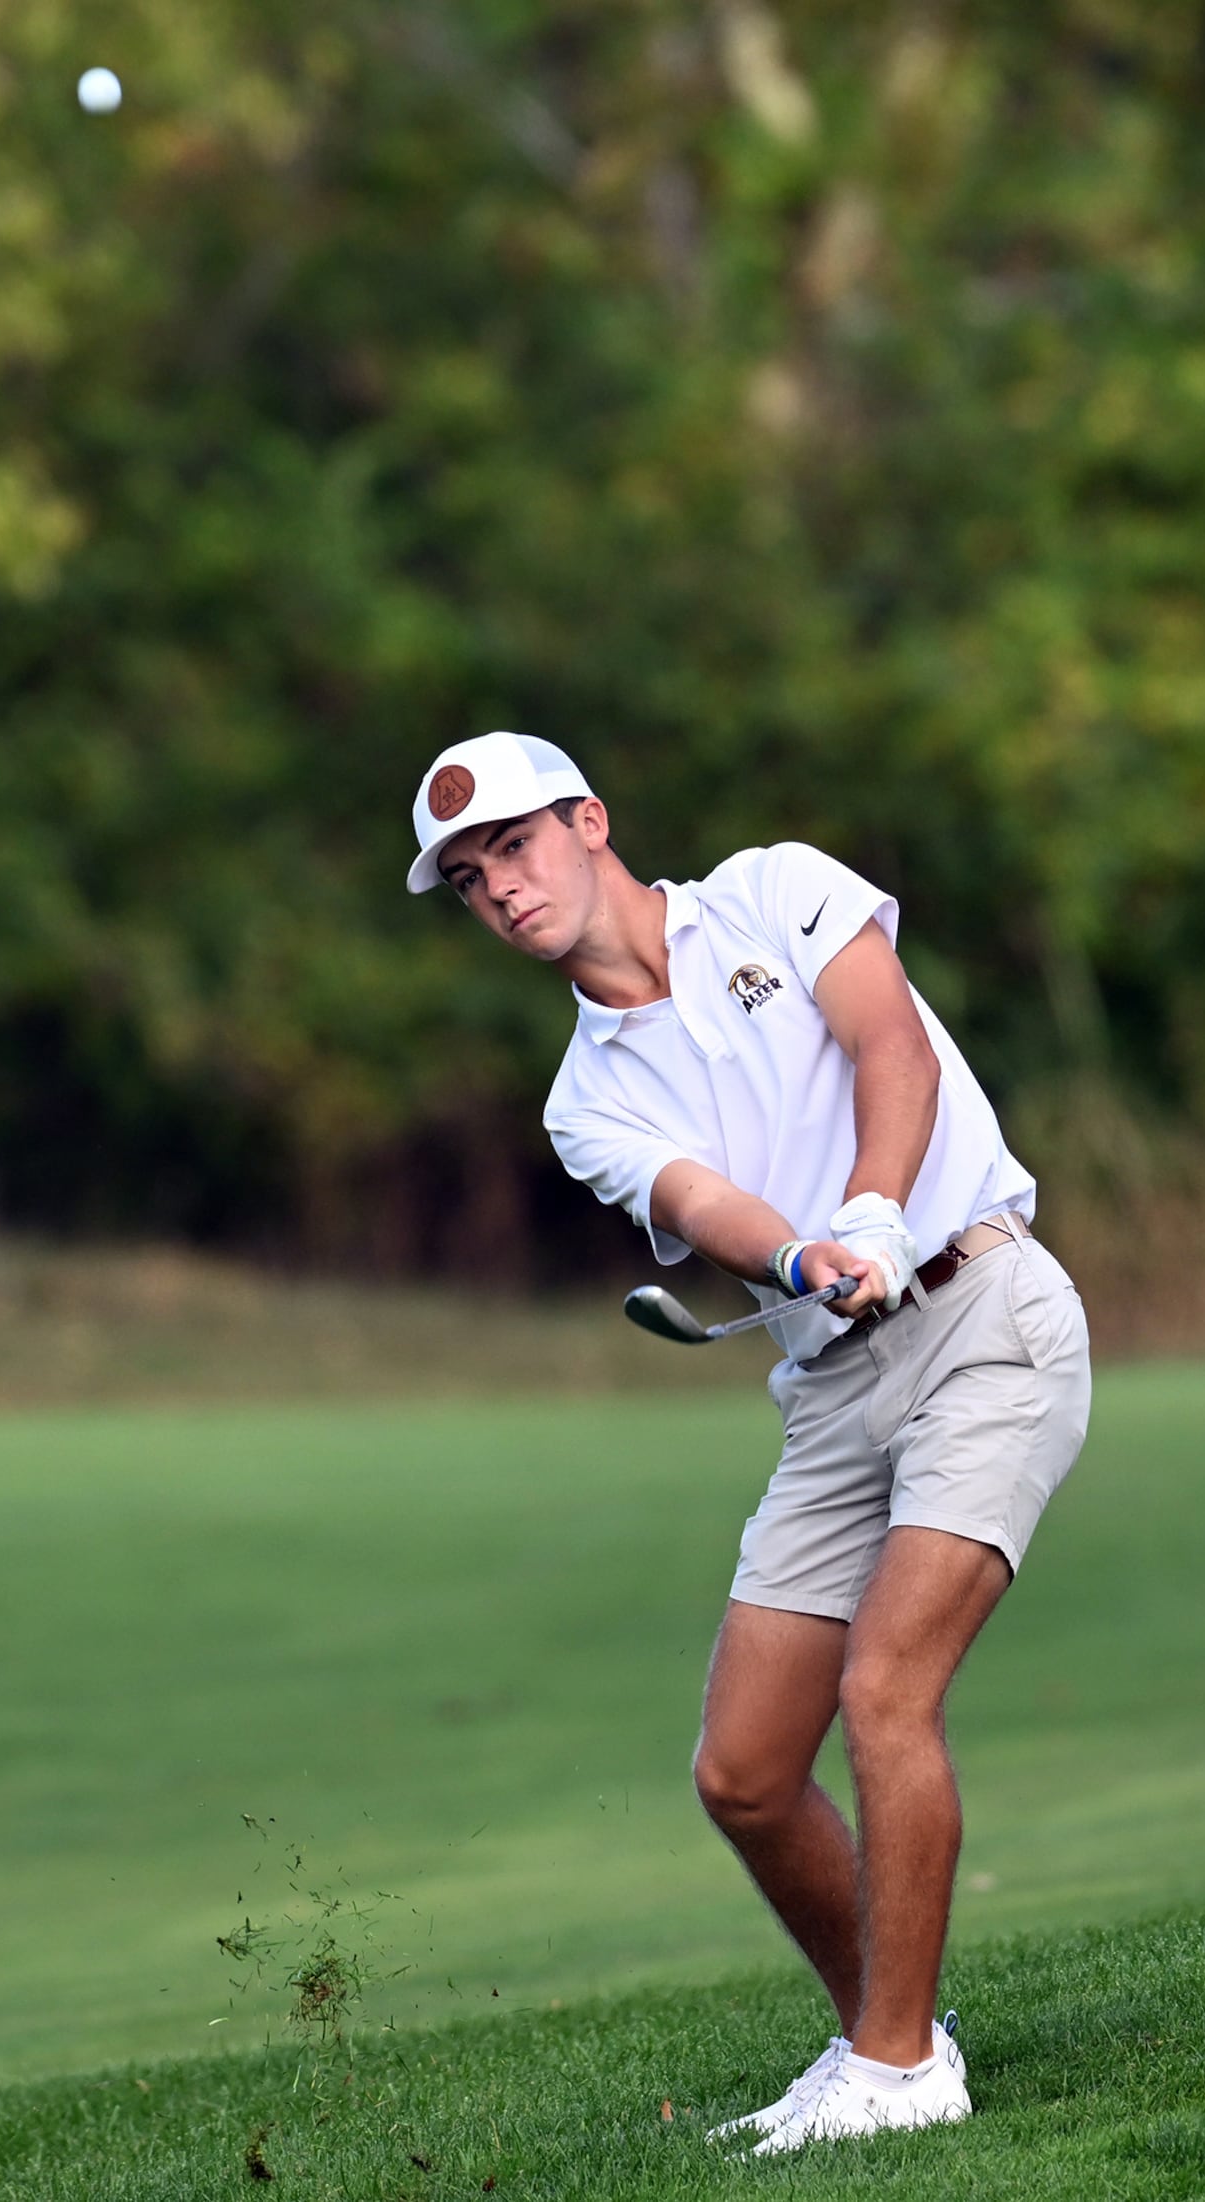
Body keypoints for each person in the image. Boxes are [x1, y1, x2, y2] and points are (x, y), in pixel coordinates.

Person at [406, 730, 1091, 2151]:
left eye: (518, 847)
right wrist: (803, 1259)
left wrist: (878, 1209)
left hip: (984, 1308)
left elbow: (888, 1040)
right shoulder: (582, 1097)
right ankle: (886, 2040)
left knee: (885, 1687)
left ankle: (898, 2071)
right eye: (471, 881)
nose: (503, 890)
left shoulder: (776, 889)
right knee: (745, 1770)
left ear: (590, 821)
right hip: (833, 1383)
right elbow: (714, 1211)